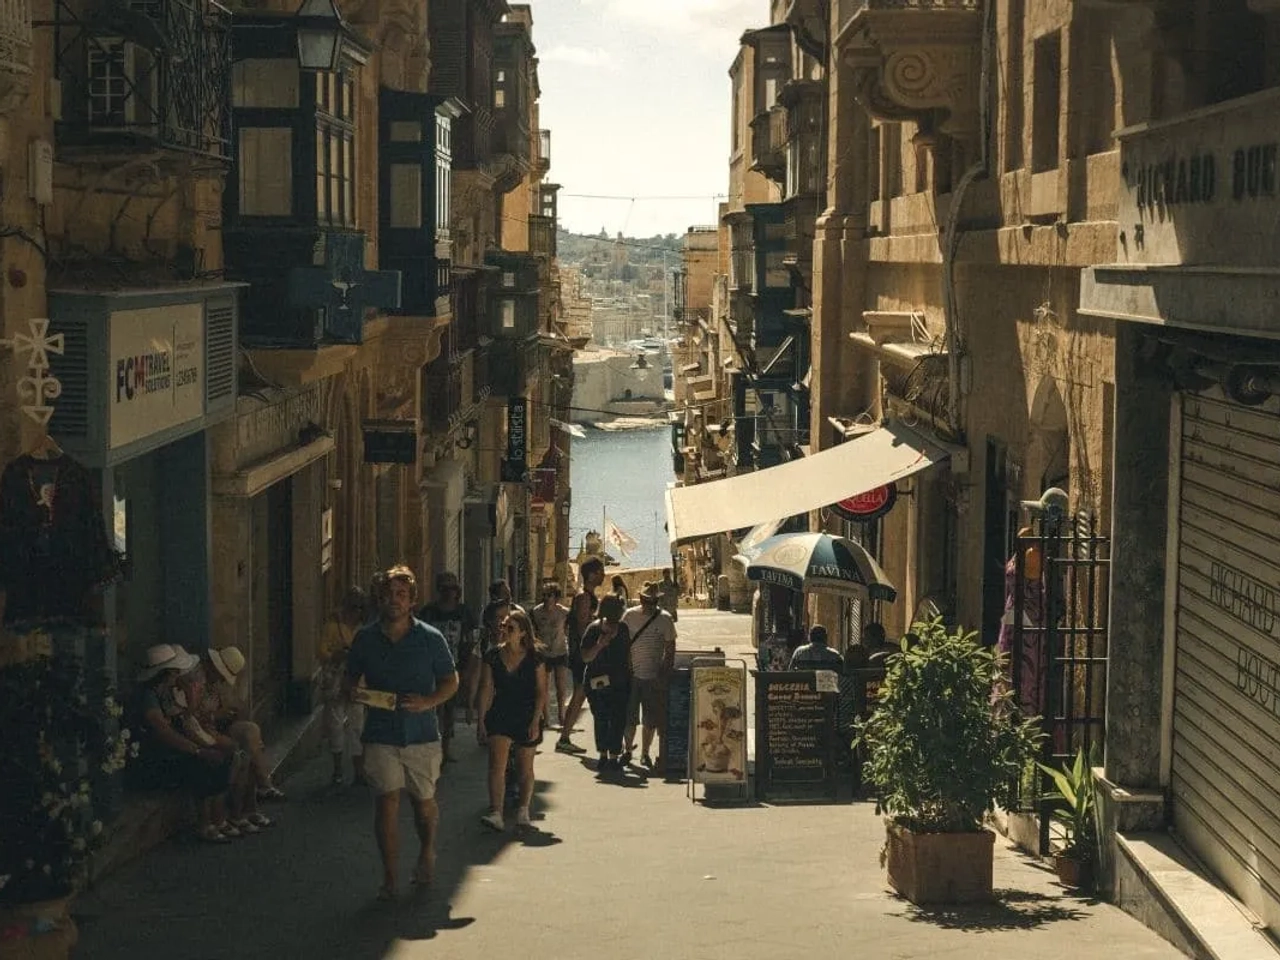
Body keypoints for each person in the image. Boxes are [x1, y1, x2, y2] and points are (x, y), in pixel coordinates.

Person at [346, 565, 459, 900]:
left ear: (411, 601)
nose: (394, 601)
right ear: (379, 599)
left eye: (401, 595)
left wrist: (428, 702)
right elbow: (350, 681)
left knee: (423, 805)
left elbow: (451, 681)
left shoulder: (430, 638)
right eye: (388, 594)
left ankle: (426, 851)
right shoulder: (365, 638)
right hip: (380, 734)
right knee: (387, 802)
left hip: (422, 735)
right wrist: (357, 693)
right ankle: (390, 877)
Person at [129, 644, 235, 843]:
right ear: (166, 673)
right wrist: (198, 751)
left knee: (220, 757)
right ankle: (205, 824)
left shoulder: (164, 694)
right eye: (175, 672)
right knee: (202, 764)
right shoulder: (148, 697)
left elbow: (185, 720)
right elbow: (163, 731)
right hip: (153, 760)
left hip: (168, 752)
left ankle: (218, 819)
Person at [476, 608, 547, 831]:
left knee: (526, 767)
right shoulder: (493, 656)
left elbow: (541, 692)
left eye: (511, 628)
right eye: (503, 626)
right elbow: (486, 688)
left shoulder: (535, 657)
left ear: (523, 633)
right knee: (497, 766)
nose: (505, 630)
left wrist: (536, 721)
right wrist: (481, 720)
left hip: (526, 714)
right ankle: (496, 812)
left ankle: (523, 810)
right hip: (500, 712)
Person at [204, 644, 283, 810]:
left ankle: (256, 795)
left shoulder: (218, 686)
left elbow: (234, 708)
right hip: (207, 729)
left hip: (221, 726)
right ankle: (262, 786)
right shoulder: (199, 685)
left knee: (251, 735)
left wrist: (232, 710)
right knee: (249, 744)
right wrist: (219, 714)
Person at [416, 572, 478, 762]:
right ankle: (431, 746)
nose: (448, 593)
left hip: (455, 666)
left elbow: (471, 640)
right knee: (432, 708)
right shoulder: (428, 612)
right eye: (444, 588)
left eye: (451, 588)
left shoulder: (464, 612)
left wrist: (468, 668)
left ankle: (445, 748)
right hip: (430, 668)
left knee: (449, 709)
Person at [621, 581, 677, 769]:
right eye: (646, 600)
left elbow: (670, 650)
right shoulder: (629, 616)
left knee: (650, 720)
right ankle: (627, 750)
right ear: (641, 599)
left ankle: (645, 753)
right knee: (629, 717)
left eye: (652, 601)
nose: (649, 604)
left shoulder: (665, 619)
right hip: (632, 674)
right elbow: (621, 643)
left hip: (654, 676)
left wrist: (664, 673)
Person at [318, 587, 370, 786]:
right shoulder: (332, 627)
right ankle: (338, 769)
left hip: (359, 682)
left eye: (359, 608)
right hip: (337, 682)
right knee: (336, 725)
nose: (356, 612)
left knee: (357, 726)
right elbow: (321, 652)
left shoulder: (364, 628)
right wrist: (336, 655)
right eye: (353, 607)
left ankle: (358, 770)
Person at [557, 556, 605, 753]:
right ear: (591, 574)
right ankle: (565, 738)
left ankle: (565, 737)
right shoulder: (584, 598)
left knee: (581, 695)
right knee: (579, 695)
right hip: (581, 656)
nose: (603, 575)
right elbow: (582, 626)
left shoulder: (587, 596)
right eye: (600, 572)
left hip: (582, 655)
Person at [580, 594, 632, 772]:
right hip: (598, 682)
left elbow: (627, 655)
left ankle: (613, 756)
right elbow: (586, 657)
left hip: (619, 682)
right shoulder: (593, 630)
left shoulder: (623, 629)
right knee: (601, 718)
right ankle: (603, 754)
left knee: (618, 719)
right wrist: (600, 645)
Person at [531, 583, 571, 727]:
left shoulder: (564, 612)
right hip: (543, 654)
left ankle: (562, 715)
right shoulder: (536, 612)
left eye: (550, 595)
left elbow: (568, 629)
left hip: (560, 651)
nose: (546, 598)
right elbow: (533, 632)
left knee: (561, 687)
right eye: (544, 595)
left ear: (556, 597)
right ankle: (546, 717)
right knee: (544, 687)